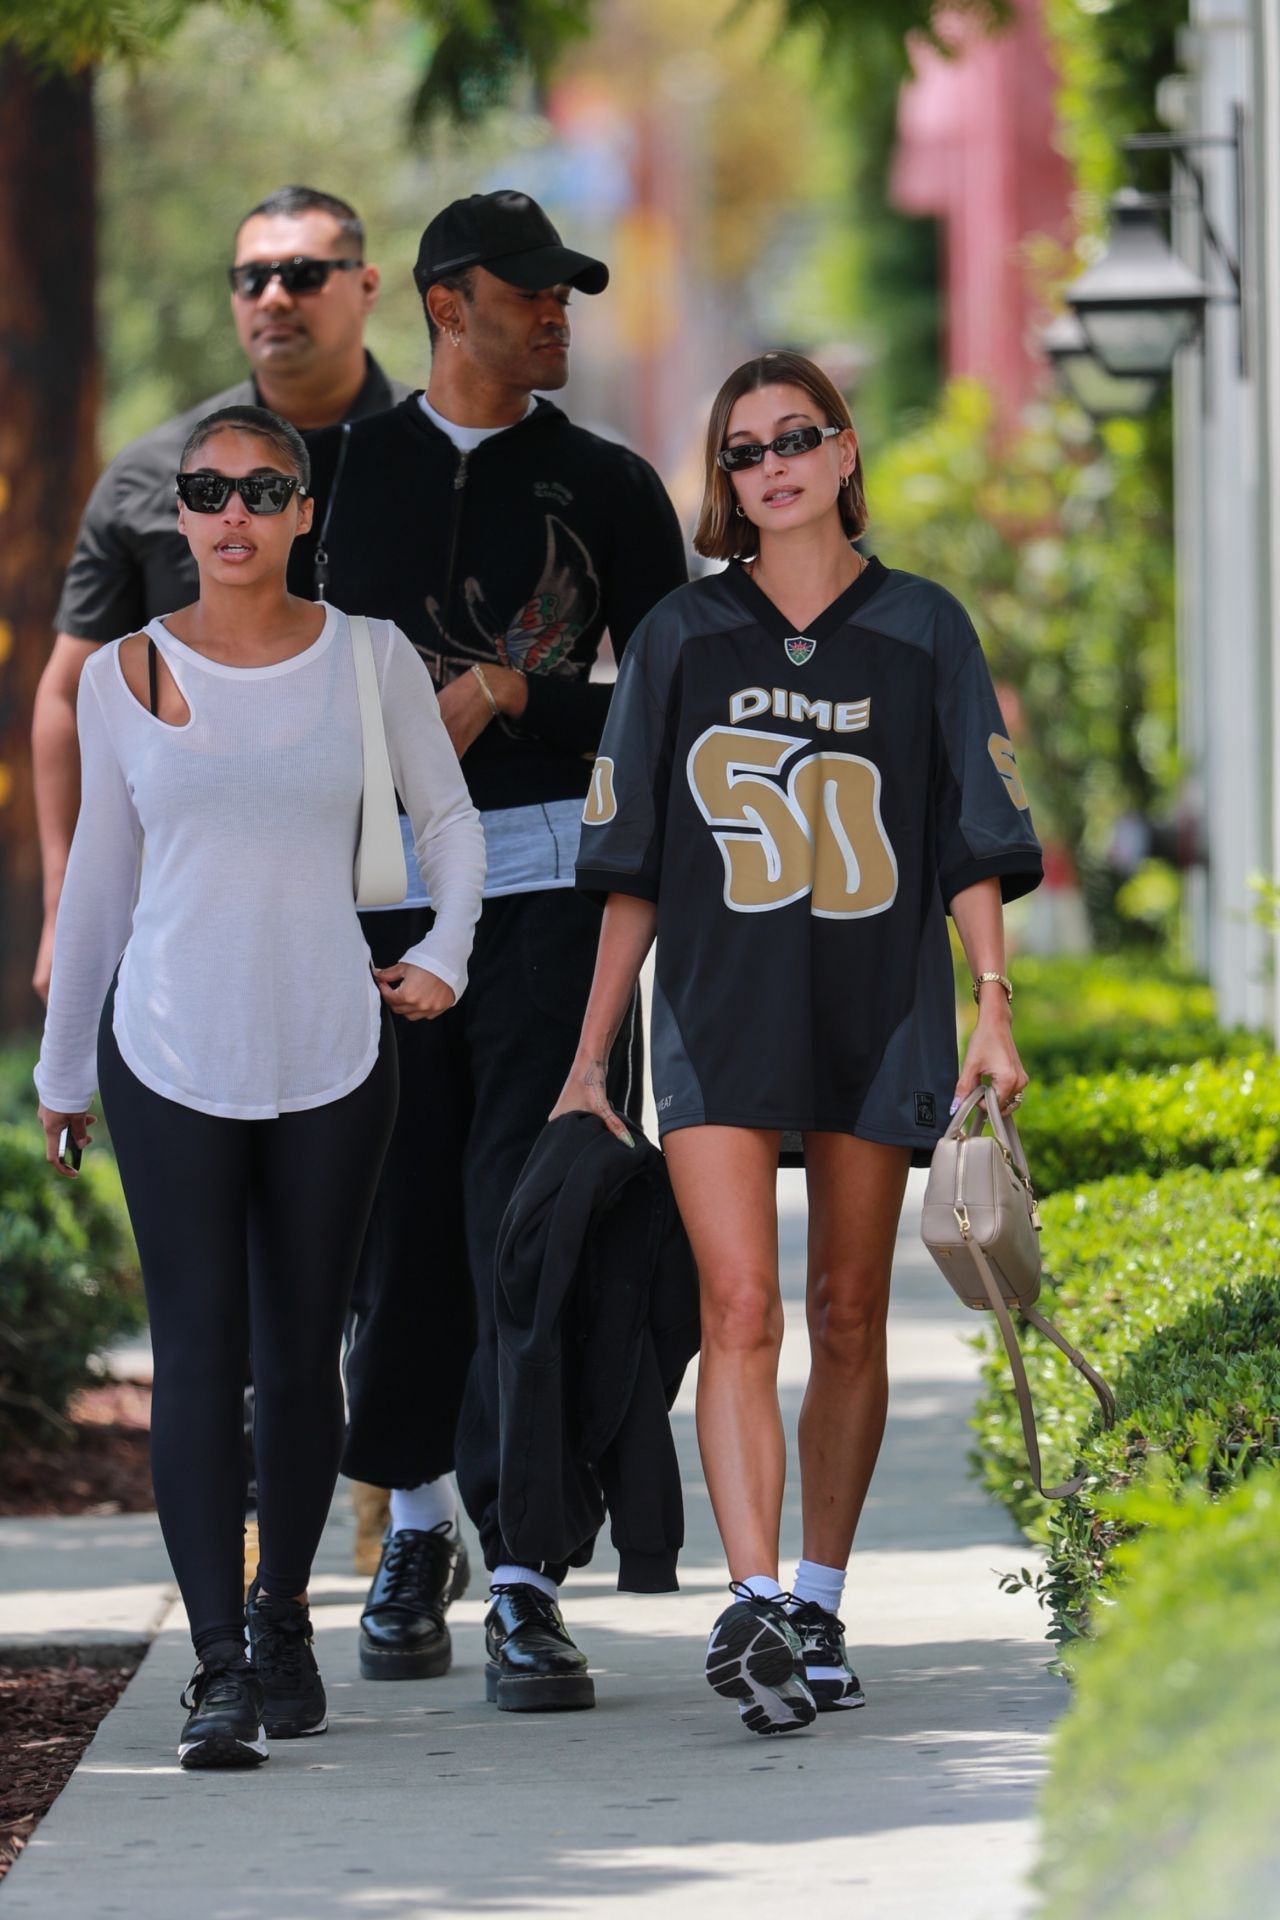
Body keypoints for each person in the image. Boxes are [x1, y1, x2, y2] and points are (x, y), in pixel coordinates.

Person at [554, 349, 1043, 1736]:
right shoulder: (678, 641)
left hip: (875, 1012)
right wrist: (593, 1058)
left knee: (845, 1311)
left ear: (842, 456)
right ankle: (754, 1600)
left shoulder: (928, 631)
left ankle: (820, 1596)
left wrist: (993, 1004)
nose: (771, 467)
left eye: (795, 439)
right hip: (716, 1010)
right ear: (728, 482)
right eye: (744, 450)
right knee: (738, 1311)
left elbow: (971, 842)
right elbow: (634, 869)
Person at [33, 405, 485, 1770]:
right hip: (167, 1051)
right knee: (200, 1357)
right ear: (181, 516)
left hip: (333, 1055)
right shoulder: (121, 674)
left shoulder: (371, 658)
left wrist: (446, 956)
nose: (232, 512)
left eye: (262, 488)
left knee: (301, 1358)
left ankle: (284, 1618)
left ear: (302, 515)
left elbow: (448, 820)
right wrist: (63, 1067)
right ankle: (219, 1666)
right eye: (207, 490)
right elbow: (100, 885)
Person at [289, 189, 687, 1707]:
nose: (557, 319)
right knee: (395, 1236)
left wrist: (528, 702)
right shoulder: (333, 479)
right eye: (531, 296)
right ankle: (415, 1530)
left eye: (567, 298)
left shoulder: (610, 486)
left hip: (548, 903)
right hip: (362, 913)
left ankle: (525, 1573)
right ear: (447, 306)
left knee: (532, 1225)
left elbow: (672, 699)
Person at [31, 184, 409, 1002]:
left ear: (367, 285)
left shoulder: (431, 463)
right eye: (253, 279)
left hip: (399, 903)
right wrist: (67, 904)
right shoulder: (151, 474)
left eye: (305, 273)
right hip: (196, 909)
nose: (275, 296)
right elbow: (67, 695)